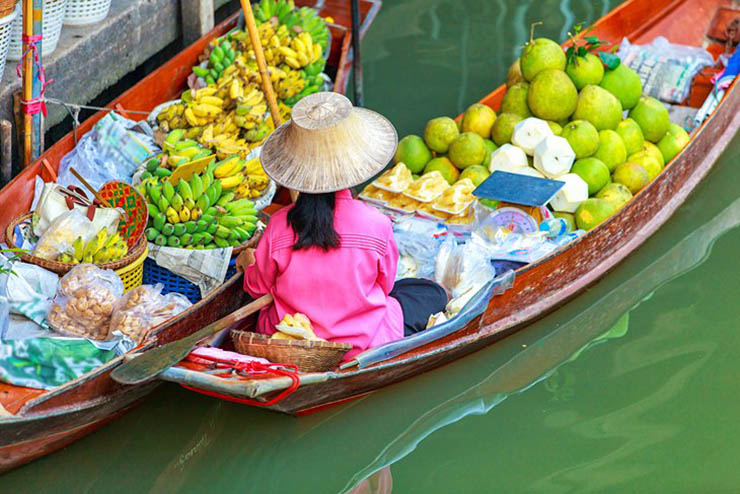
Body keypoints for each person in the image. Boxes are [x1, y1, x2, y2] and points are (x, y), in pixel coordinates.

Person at [235, 92, 447, 360]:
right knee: (430, 292)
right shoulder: (377, 224)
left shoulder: (277, 226)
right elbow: (385, 284)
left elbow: (257, 288)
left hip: (290, 342)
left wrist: (250, 263)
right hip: (359, 345)